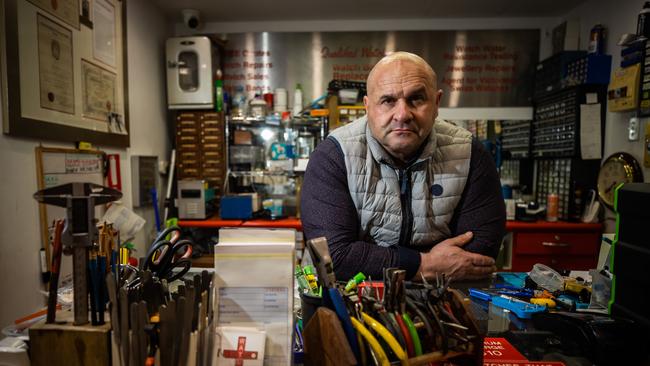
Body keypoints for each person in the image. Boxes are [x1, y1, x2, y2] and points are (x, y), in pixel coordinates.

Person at [301, 52, 506, 282]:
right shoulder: (333, 156)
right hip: (347, 300)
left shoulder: (469, 153)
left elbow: (479, 255)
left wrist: (376, 261)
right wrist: (426, 265)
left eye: (416, 98)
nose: (402, 114)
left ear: (437, 103)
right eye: (388, 101)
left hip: (439, 303)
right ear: (367, 107)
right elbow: (333, 257)